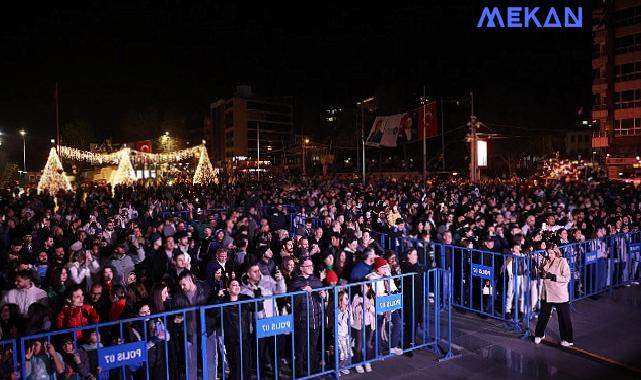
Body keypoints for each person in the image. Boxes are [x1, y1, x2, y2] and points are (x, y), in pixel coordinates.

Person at [288, 257, 326, 377]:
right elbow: (291, 299)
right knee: (300, 348)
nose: (311, 268)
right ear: (301, 268)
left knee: (313, 346)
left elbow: (320, 296)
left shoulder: (316, 281)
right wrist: (302, 290)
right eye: (308, 266)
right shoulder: (295, 282)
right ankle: (298, 373)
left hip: (316, 318)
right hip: (302, 320)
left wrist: (323, 295)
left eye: (311, 266)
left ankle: (312, 370)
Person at [534, 243, 574, 347]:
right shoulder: (545, 260)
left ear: (556, 252)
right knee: (543, 315)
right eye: (548, 253)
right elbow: (541, 271)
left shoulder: (562, 262)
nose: (549, 255)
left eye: (551, 253)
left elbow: (567, 278)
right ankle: (539, 334)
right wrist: (541, 274)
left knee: (564, 317)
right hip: (546, 293)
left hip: (559, 293)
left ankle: (567, 339)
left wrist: (552, 276)